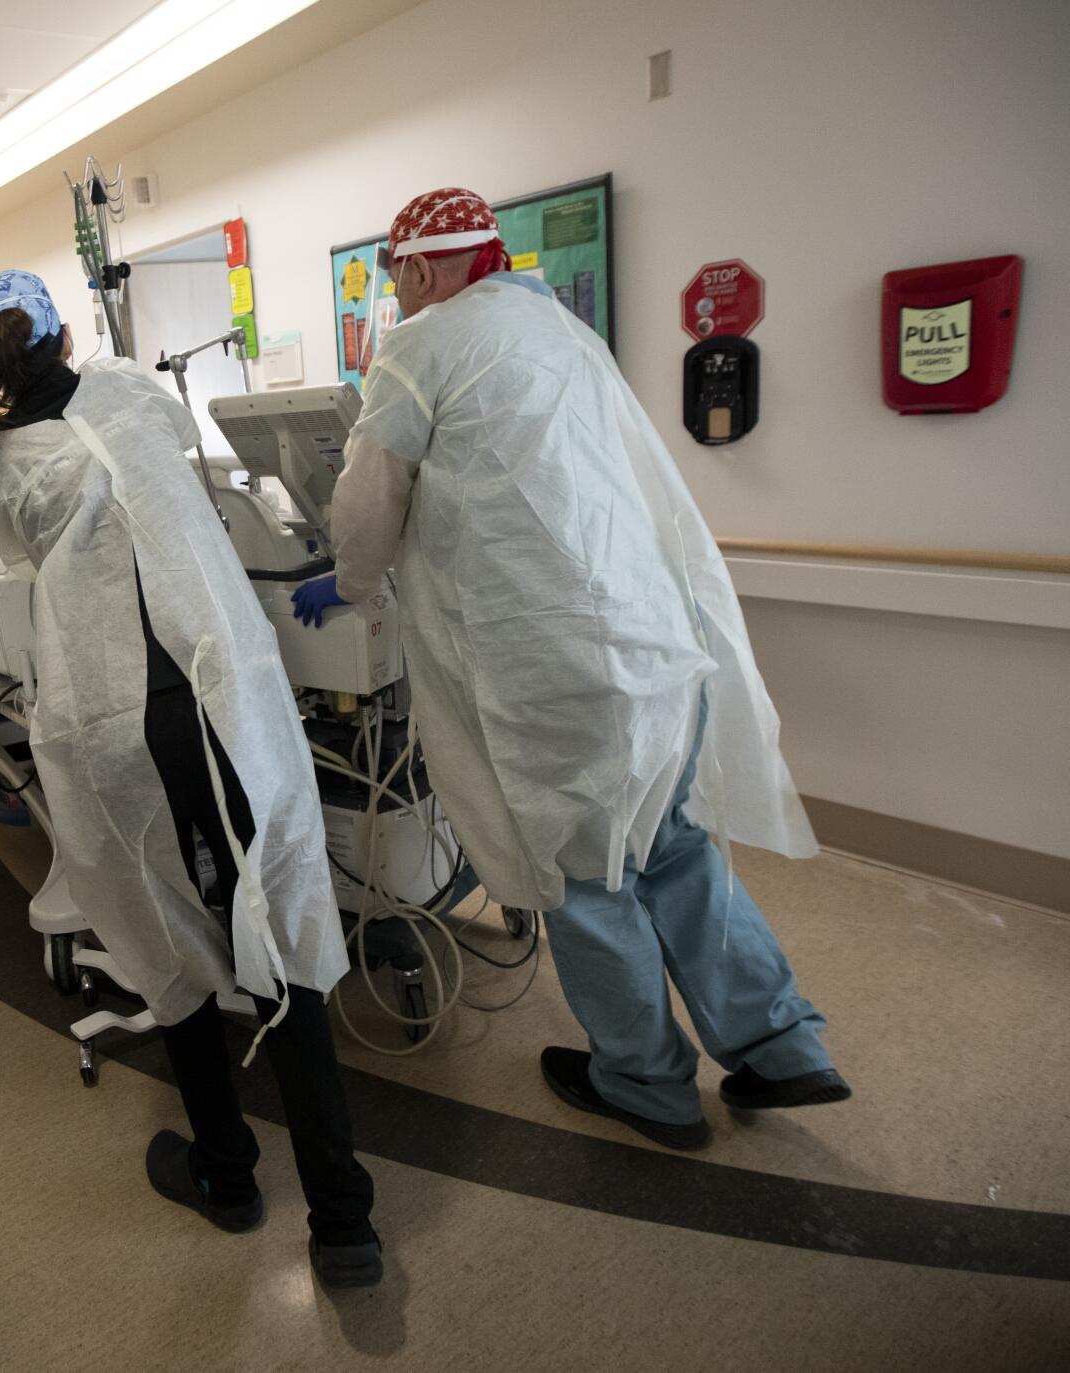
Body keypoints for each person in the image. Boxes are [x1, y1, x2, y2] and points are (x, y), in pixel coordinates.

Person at [293, 188, 848, 1151]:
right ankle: (781, 1044)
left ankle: (644, 1081)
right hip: (658, 650)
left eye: (397, 277)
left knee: (587, 877)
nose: (398, 294)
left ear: (421, 268)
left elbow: (368, 501)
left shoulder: (420, 348)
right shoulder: (562, 331)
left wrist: (349, 581)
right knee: (673, 849)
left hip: (554, 674)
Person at [0, 269, 381, 1286]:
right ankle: (342, 1223)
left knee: (158, 925)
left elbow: (18, 560)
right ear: (64, 340)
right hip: (217, 702)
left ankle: (227, 1175)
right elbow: (179, 470)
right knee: (271, 914)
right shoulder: (132, 397)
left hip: (108, 719)